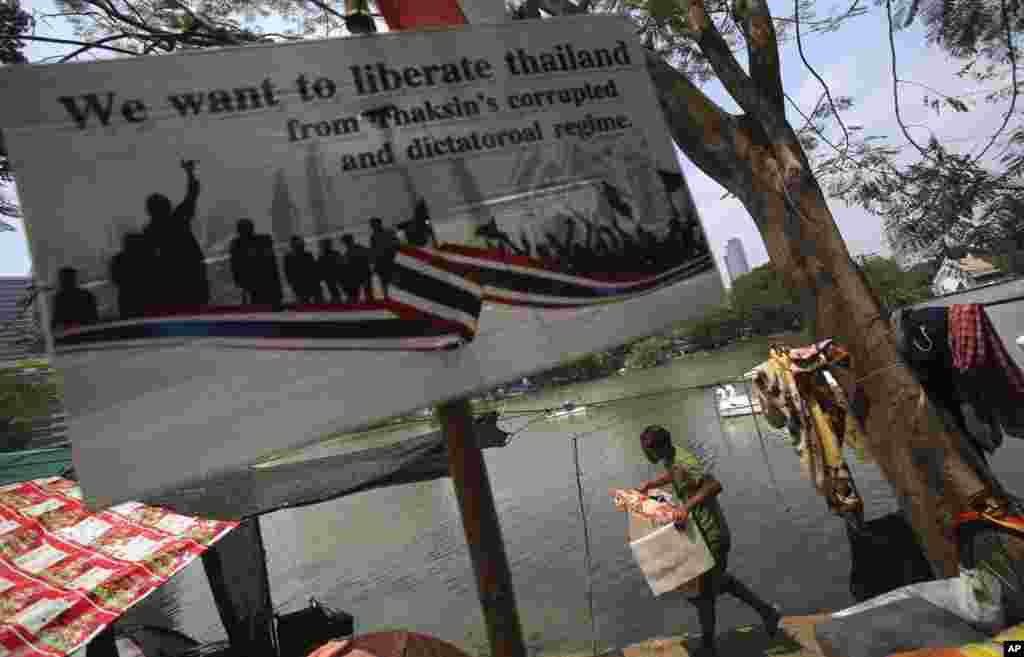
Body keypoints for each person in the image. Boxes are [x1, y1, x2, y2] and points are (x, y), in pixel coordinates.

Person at [634, 425, 780, 657]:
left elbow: (714, 485)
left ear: (658, 448)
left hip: (713, 534)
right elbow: (676, 475)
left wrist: (686, 507)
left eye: (647, 450)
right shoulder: (671, 458)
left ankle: (709, 646)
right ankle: (767, 613)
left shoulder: (684, 460)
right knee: (717, 584)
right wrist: (652, 485)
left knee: (703, 595)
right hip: (699, 534)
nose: (645, 455)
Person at [142, 159, 209, 308]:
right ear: (167, 206)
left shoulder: (150, 231)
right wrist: (190, 172)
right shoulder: (178, 218)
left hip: (170, 279)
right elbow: (193, 193)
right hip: (191, 271)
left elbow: (149, 260)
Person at [229, 219, 284, 309]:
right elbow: (272, 265)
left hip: (259, 285)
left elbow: (235, 267)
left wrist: (239, 281)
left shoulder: (237, 244)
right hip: (264, 285)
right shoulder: (263, 241)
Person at [110, 233, 150, 319]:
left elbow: (115, 279)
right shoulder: (146, 258)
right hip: (144, 296)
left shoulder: (118, 259)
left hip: (126, 297)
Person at [284, 236, 323, 305]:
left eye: (301, 244)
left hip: (306, 284)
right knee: (308, 301)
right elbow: (288, 273)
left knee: (309, 301)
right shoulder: (290, 257)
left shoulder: (290, 257)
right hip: (303, 284)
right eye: (299, 245)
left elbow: (288, 273)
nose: (301, 246)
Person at [369, 217, 400, 299]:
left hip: (389, 258)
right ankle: (387, 296)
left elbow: (397, 244)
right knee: (384, 280)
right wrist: (373, 262)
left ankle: (396, 296)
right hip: (381, 261)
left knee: (392, 278)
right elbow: (373, 250)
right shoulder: (373, 236)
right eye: (372, 225)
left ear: (379, 224)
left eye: (374, 224)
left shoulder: (388, 232)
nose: (372, 226)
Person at [340, 234, 373, 303]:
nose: (346, 244)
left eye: (346, 242)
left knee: (359, 293)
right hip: (364, 273)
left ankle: (363, 302)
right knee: (367, 292)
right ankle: (369, 302)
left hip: (357, 275)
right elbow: (370, 257)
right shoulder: (359, 248)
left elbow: (346, 267)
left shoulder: (347, 253)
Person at [317, 238, 344, 304]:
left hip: (332, 275)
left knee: (332, 286)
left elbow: (319, 266)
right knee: (332, 286)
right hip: (332, 275)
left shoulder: (323, 256)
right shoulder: (324, 256)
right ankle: (336, 298)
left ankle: (336, 298)